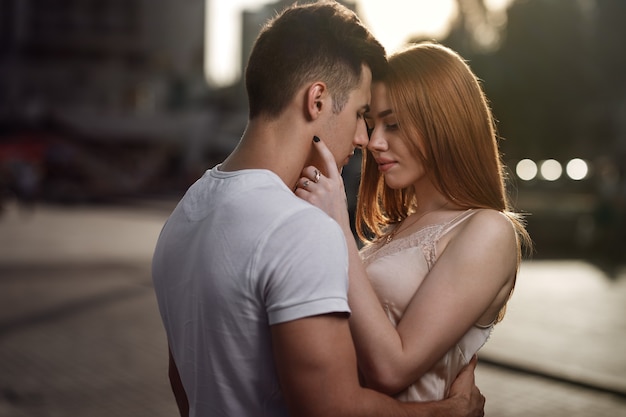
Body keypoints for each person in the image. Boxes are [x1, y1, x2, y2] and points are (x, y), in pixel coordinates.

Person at [152, 3, 484, 417]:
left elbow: (184, 388)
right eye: (362, 114)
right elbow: (333, 408)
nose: (364, 138)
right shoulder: (300, 229)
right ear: (318, 100)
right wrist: (448, 413)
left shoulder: (184, 215)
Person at [297, 42, 532, 402]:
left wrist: (338, 226)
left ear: (444, 122)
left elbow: (393, 368)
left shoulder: (488, 230)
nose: (373, 142)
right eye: (373, 124)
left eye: (392, 125)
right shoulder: (396, 229)